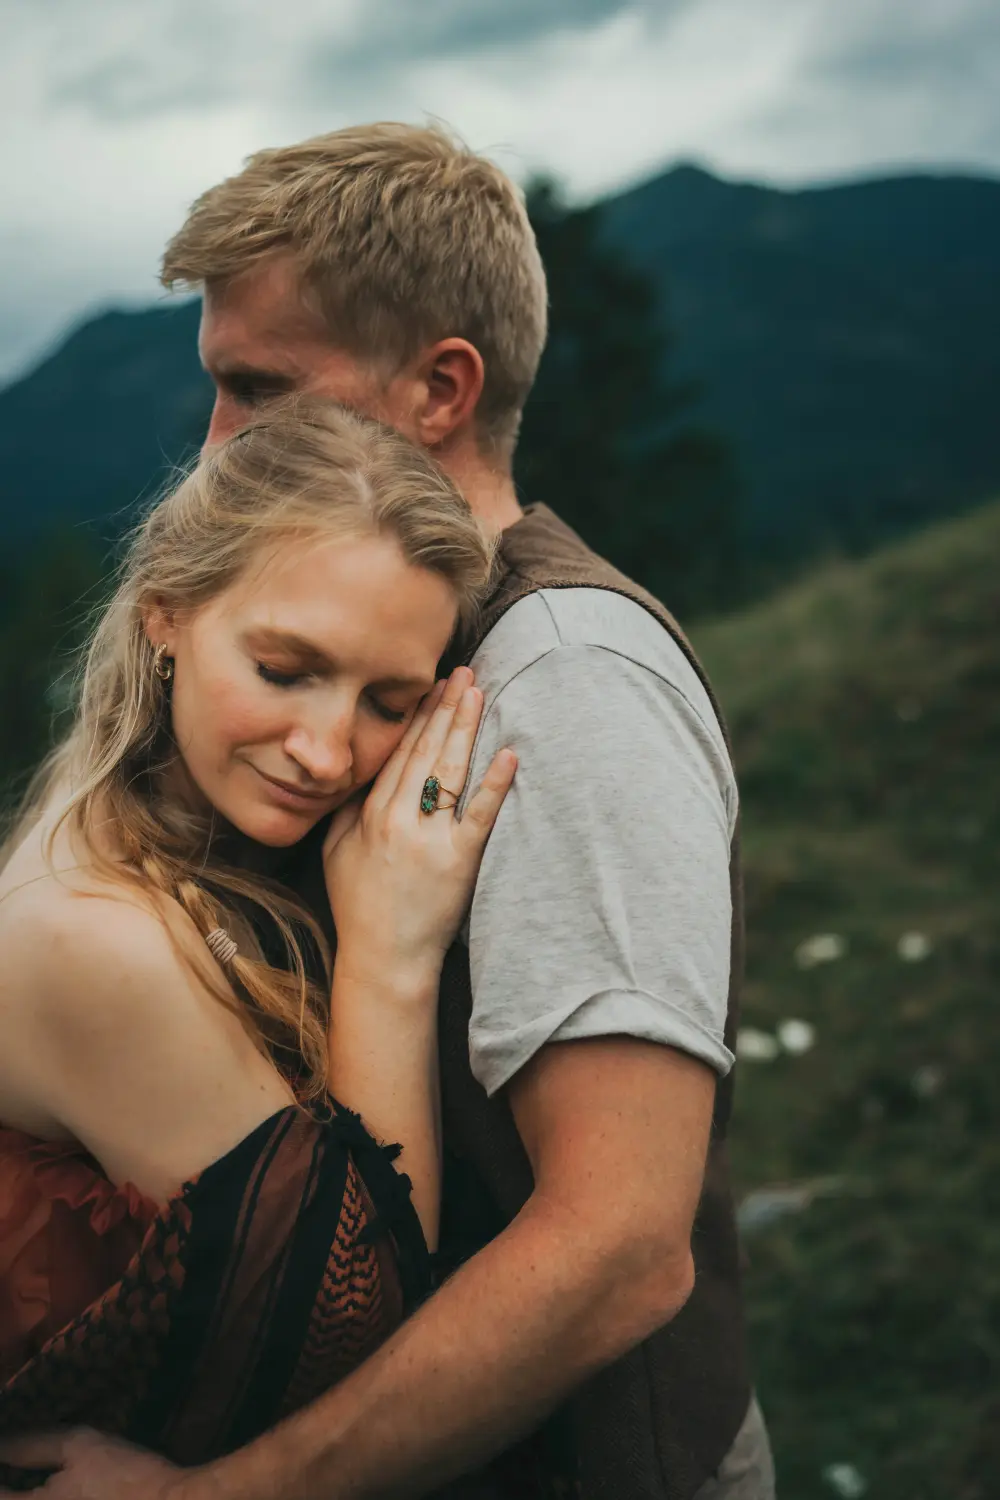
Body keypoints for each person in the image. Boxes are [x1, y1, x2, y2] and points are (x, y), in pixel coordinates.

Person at [0, 124, 775, 1499]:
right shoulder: (365, 662)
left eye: (259, 388)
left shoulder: (565, 685)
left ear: (440, 388)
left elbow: (619, 1245)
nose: (218, 444)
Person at [0, 403, 516, 1482]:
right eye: (285, 671)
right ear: (165, 616)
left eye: (389, 703)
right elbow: (357, 1329)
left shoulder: (136, 813)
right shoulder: (97, 940)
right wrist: (389, 953)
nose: (328, 752)